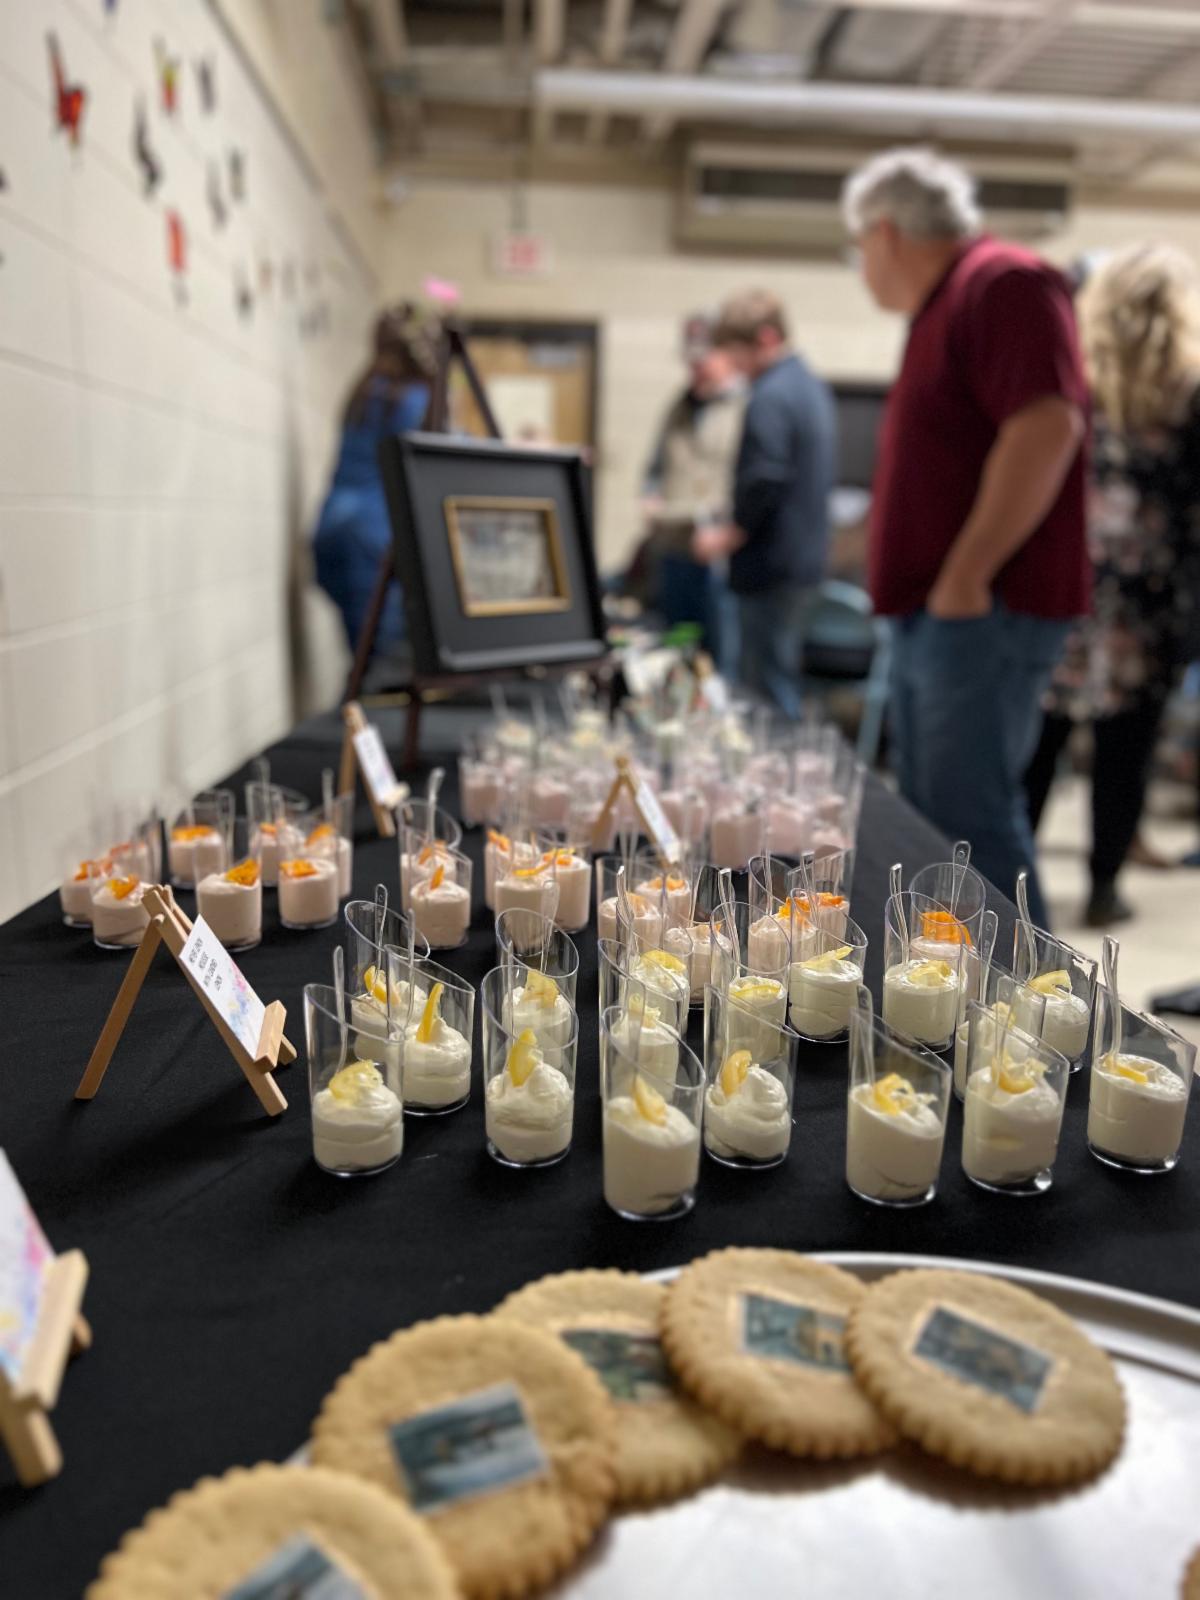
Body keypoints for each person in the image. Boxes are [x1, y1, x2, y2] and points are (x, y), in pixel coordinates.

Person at [842, 148, 1088, 928]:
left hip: (980, 612)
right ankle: (965, 986)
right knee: (938, 826)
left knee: (971, 826)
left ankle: (1043, 999)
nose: (860, 266)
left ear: (885, 233)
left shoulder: (1003, 282)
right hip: (942, 613)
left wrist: (967, 573)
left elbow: (1047, 425)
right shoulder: (947, 303)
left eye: (858, 247)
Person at [1023, 245, 1200, 926]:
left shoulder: (1074, 375)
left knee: (1039, 744)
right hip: (1151, 601)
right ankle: (1103, 887)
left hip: (1065, 587)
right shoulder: (1187, 390)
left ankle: (1014, 888)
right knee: (1127, 750)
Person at [692, 290, 836, 722]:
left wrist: (728, 534)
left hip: (769, 566)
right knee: (778, 677)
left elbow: (766, 477)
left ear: (766, 339)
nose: (734, 365)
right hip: (800, 562)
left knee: (762, 693)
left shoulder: (772, 395)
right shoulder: (810, 386)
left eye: (736, 353)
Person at [313, 303, 439, 651]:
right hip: (372, 539)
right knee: (380, 663)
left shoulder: (366, 391)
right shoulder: (415, 400)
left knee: (361, 656)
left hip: (332, 528)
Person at [624, 315, 744, 668]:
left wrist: (725, 528)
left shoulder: (748, 405)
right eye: (690, 362)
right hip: (672, 546)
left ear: (726, 355)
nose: (695, 369)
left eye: (703, 360)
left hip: (716, 553)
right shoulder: (680, 406)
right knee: (675, 651)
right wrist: (649, 495)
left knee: (720, 656)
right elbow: (655, 466)